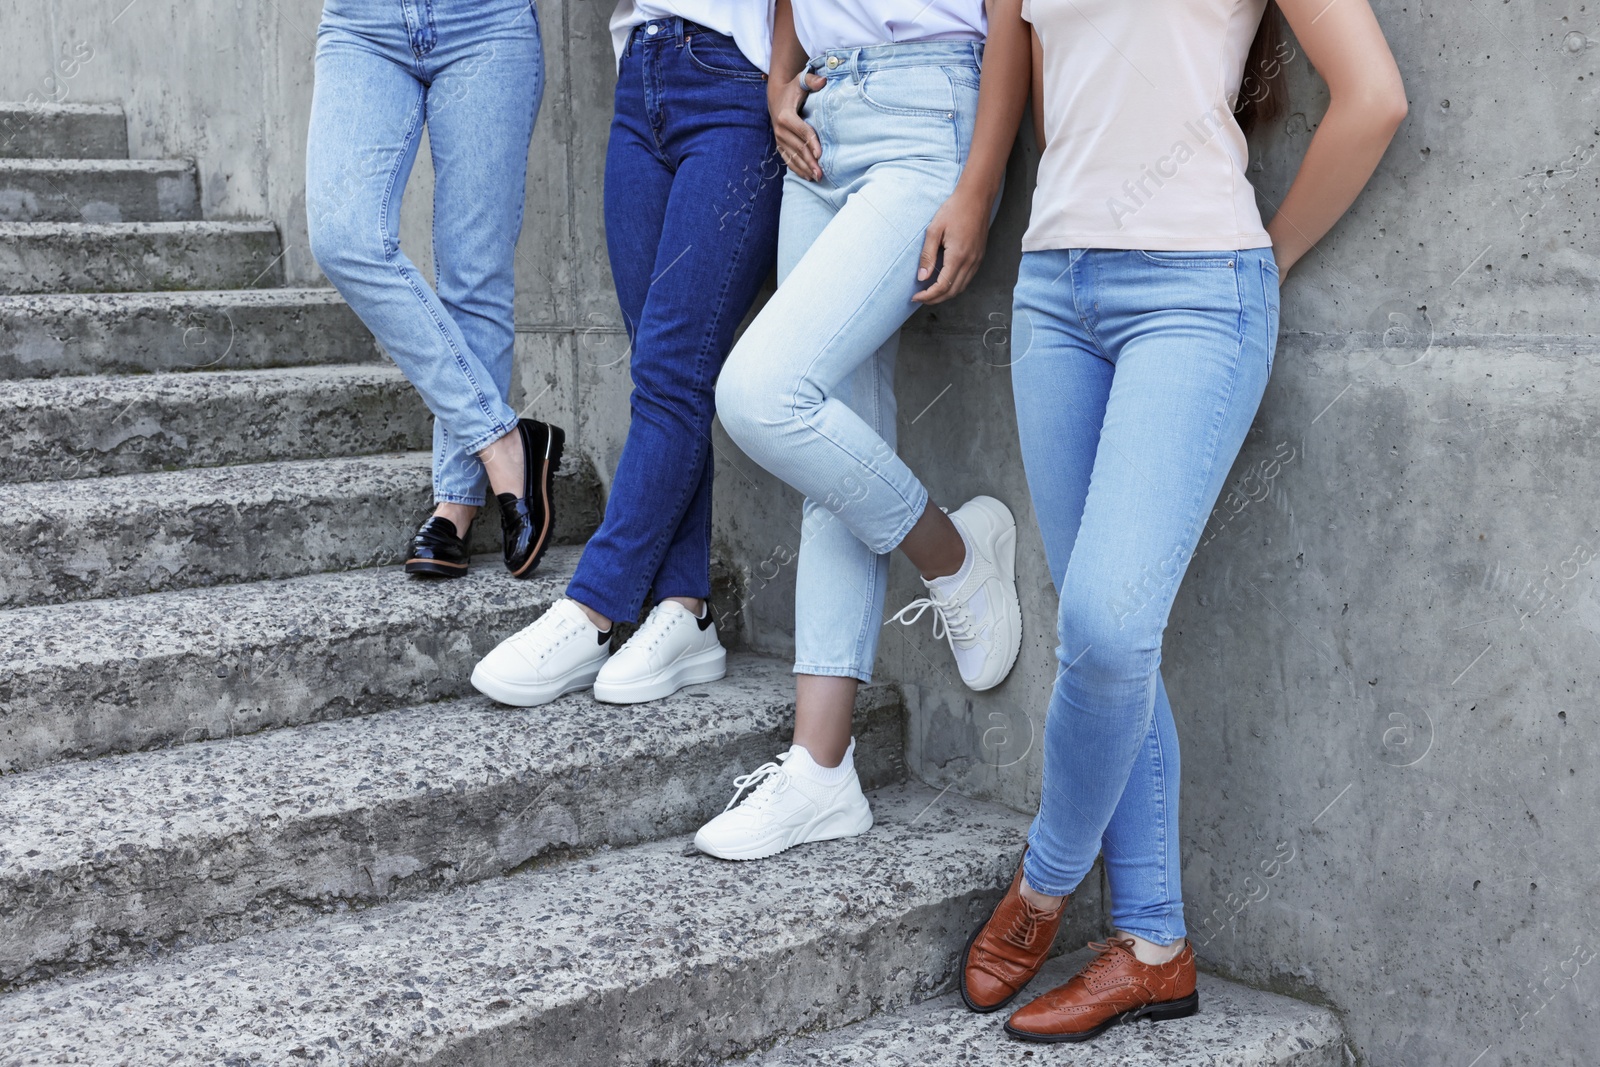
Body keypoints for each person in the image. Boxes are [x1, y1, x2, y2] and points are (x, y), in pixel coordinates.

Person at [959, 0, 1407, 1043]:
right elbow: (1053, 103)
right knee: (1104, 638)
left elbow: (1373, 98)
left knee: (1109, 626)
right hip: (1052, 293)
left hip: (1198, 291)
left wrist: (1266, 260)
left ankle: (1043, 881)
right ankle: (1153, 945)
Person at [692, 0, 1032, 861]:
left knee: (762, 392)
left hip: (926, 112)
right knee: (829, 439)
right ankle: (821, 767)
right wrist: (778, 77)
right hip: (819, 120)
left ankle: (948, 555)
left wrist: (980, 187)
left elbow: (1010, 17)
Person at [469, 1, 784, 708]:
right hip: (639, 71)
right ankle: (686, 607)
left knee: (673, 371)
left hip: (736, 77)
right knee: (665, 368)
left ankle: (593, 606)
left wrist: (784, 73)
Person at [306, 0, 563, 583]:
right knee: (344, 238)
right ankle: (502, 440)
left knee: (475, 274)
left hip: (486, 20)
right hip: (362, 23)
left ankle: (458, 504)